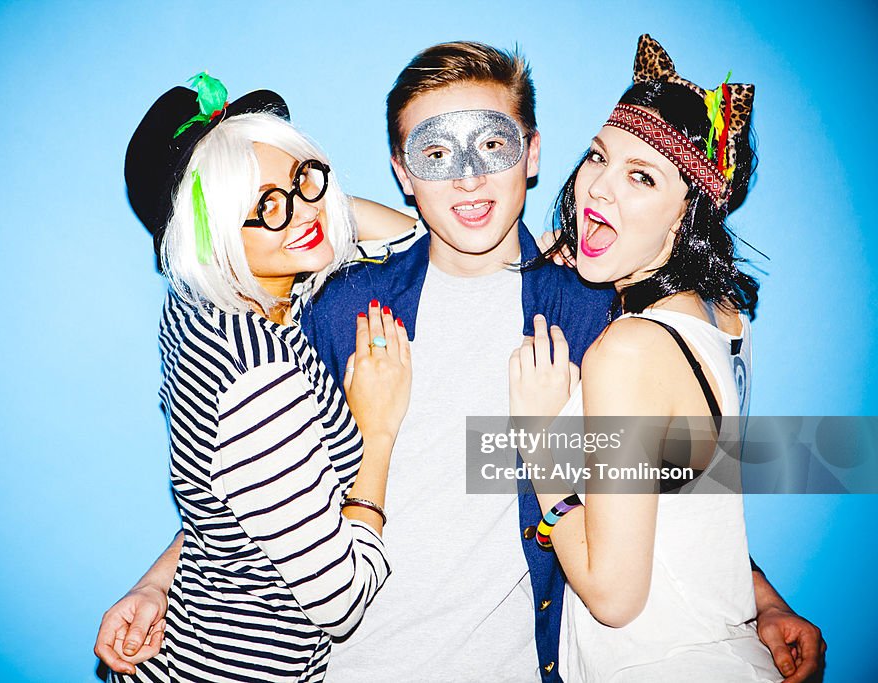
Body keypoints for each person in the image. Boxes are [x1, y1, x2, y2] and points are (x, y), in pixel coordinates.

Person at [100, 43, 825, 682]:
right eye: (436, 155)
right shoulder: (339, 304)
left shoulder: (592, 312)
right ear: (403, 173)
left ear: (534, 155)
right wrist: (157, 582)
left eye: (495, 146)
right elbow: (268, 473)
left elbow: (668, 471)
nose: (469, 179)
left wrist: (759, 599)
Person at [508, 34, 807, 682]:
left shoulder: (629, 350)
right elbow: (691, 506)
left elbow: (615, 596)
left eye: (641, 177)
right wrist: (765, 598)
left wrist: (541, 447)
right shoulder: (723, 319)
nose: (598, 188)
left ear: (684, 217)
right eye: (598, 158)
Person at [94, 74, 411, 682]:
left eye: (303, 178)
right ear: (212, 237)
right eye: (261, 205)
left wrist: (155, 582)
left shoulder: (207, 308)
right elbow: (340, 606)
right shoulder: (257, 377)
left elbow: (225, 513)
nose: (301, 211)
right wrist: (379, 432)